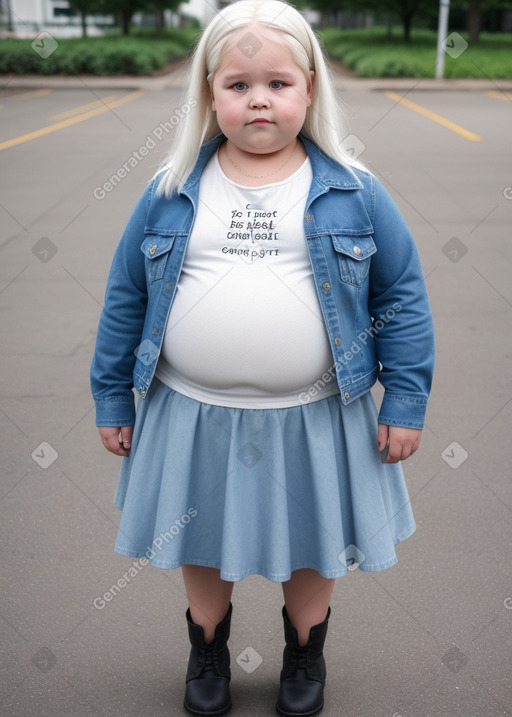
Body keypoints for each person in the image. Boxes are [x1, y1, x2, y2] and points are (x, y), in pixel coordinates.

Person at [90, 1, 435, 715]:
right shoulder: (170, 190)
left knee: (312, 542)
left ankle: (305, 652)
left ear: (310, 90)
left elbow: (401, 295)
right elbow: (125, 294)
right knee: (202, 537)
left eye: (277, 83)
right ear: (209, 95)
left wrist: (405, 400)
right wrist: (112, 396)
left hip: (316, 412)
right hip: (191, 410)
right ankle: (206, 647)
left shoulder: (354, 189)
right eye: (237, 84)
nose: (257, 100)